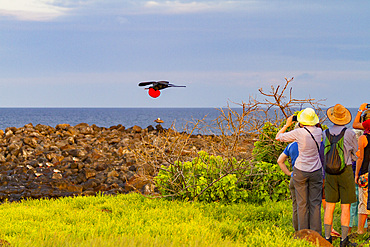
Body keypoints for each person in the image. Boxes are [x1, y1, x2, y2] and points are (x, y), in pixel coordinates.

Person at [276, 107, 323, 234]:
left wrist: (287, 124)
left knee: (301, 204)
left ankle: (303, 234)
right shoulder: (319, 132)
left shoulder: (299, 133)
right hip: (316, 170)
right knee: (315, 203)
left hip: (301, 170)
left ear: (301, 122)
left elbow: (278, 137)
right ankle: (316, 233)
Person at [323, 104, 358, 247]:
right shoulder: (350, 133)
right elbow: (355, 154)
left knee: (329, 207)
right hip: (346, 171)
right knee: (346, 207)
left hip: (330, 173)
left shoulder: (325, 133)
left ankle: (327, 238)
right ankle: (344, 240)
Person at [353, 103, 370, 234]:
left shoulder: (364, 138)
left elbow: (360, 158)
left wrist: (356, 174)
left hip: (365, 173)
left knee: (363, 203)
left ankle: (360, 230)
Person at [277, 141, 299, 231]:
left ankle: (297, 232)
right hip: (307, 176)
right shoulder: (311, 142)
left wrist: (289, 173)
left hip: (294, 177)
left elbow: (280, 161)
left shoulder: (291, 145)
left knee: (296, 207)